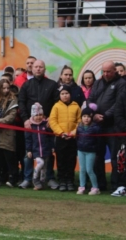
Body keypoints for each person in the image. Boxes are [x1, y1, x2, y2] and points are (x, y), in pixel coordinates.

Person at [18, 60, 59, 190]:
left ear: (44, 69)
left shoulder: (52, 85)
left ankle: (50, 178)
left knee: (48, 153)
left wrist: (50, 120)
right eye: (36, 67)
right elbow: (21, 103)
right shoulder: (26, 85)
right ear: (32, 68)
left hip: (47, 126)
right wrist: (25, 119)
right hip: (30, 125)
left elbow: (56, 104)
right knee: (29, 152)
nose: (38, 69)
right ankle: (27, 178)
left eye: (41, 67)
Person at [88, 60, 126, 191]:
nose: (106, 74)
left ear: (114, 70)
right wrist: (93, 115)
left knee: (116, 157)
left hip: (112, 126)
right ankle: (100, 184)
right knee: (98, 157)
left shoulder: (121, 84)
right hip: (97, 126)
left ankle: (116, 185)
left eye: (108, 71)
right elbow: (90, 100)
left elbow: (119, 103)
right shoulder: (98, 83)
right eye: (103, 71)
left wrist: (105, 116)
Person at [49, 85, 81, 191]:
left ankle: (70, 180)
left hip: (72, 138)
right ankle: (62, 180)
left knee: (71, 160)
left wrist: (73, 132)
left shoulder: (76, 106)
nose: (64, 96)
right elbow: (53, 121)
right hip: (60, 138)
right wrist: (61, 132)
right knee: (61, 160)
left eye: (66, 93)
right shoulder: (56, 106)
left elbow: (79, 121)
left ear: (70, 94)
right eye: (62, 94)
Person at [0, 79, 18, 187]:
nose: (6, 90)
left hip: (7, 133)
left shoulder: (13, 100)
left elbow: (11, 117)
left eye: (7, 88)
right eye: (3, 88)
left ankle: (13, 178)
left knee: (10, 157)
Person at [25, 103, 52, 190]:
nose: (39, 117)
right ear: (33, 115)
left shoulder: (45, 124)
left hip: (46, 150)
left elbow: (50, 136)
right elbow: (28, 139)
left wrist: (52, 147)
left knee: (44, 168)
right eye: (36, 115)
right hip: (36, 151)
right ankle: (35, 179)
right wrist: (29, 150)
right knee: (41, 163)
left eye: (40, 115)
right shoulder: (30, 126)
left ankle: (41, 183)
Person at [76, 106, 101, 195]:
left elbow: (98, 141)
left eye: (88, 117)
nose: (86, 119)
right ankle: (82, 187)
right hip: (81, 150)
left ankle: (95, 187)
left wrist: (97, 151)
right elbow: (77, 138)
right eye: (84, 116)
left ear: (91, 118)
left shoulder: (95, 128)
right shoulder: (79, 127)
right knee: (82, 169)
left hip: (91, 151)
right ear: (81, 117)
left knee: (89, 170)